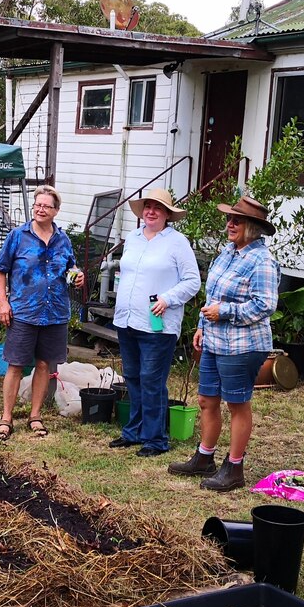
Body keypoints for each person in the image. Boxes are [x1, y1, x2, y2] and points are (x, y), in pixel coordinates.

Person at [167, 196, 278, 492]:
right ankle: (204, 458)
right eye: (229, 219)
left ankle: (235, 468)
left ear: (253, 227)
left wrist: (224, 312)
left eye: (236, 220)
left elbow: (265, 305)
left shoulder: (262, 260)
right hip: (215, 341)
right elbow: (212, 296)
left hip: (243, 345)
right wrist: (203, 325)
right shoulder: (228, 253)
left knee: (237, 404)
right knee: (206, 400)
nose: (229, 224)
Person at [108, 188, 200, 457]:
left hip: (158, 325)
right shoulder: (134, 238)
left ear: (167, 214)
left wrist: (168, 298)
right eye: (147, 206)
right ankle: (134, 431)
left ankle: (156, 439)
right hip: (127, 321)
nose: (150, 211)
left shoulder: (177, 242)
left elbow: (192, 281)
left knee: (152, 380)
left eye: (157, 208)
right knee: (134, 377)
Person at [0, 185, 85, 440]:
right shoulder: (18, 236)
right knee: (16, 365)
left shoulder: (63, 239)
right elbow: (0, 271)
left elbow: (70, 268)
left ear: (56, 210)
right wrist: (2, 302)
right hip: (23, 311)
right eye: (37, 205)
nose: (40, 209)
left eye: (46, 206)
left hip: (55, 313)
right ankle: (6, 418)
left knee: (44, 364)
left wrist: (76, 277)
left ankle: (35, 416)